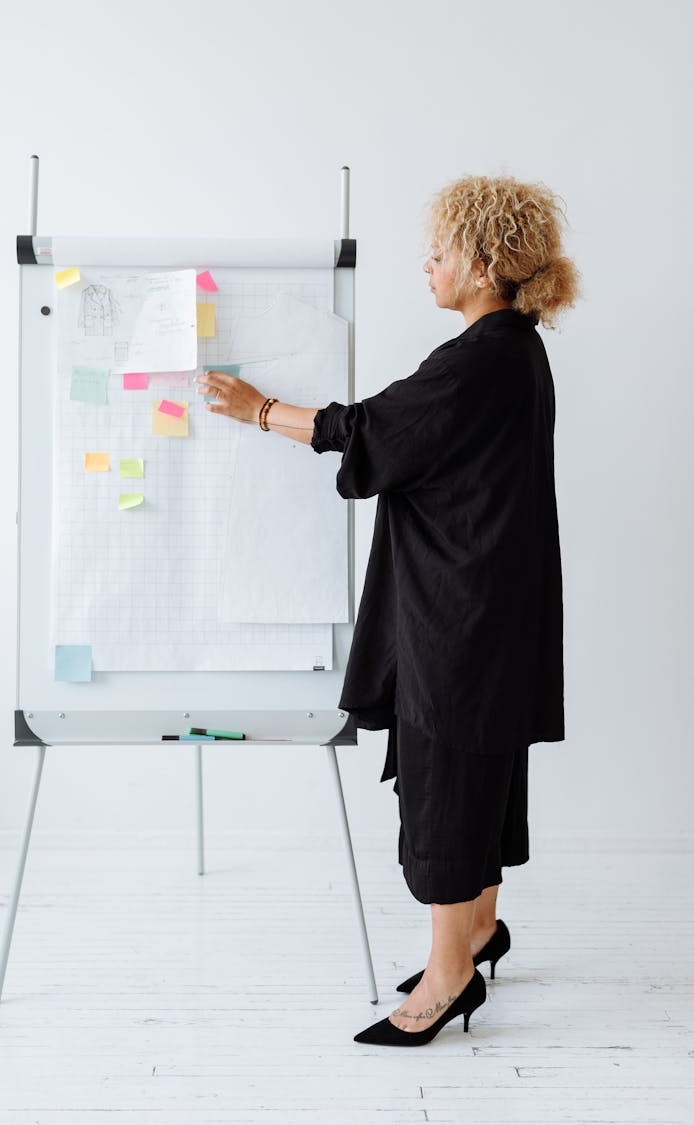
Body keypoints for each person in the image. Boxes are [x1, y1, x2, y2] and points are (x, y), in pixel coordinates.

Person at [194, 173, 581, 1047]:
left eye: (439, 253)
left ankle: (449, 979)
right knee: (480, 772)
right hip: (494, 607)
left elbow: (370, 430)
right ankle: (479, 930)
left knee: (448, 786)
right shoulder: (516, 349)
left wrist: (258, 409)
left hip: (464, 618)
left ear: (483, 264)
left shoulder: (477, 359)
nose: (427, 267)